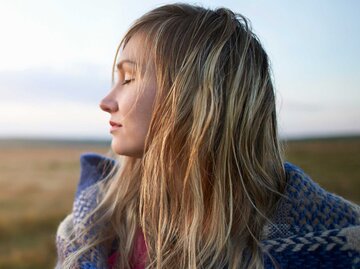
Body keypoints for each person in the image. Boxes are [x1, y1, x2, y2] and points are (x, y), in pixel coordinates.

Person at [55, 3, 360, 269]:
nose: (106, 101)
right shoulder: (94, 226)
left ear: (197, 97)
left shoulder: (339, 244)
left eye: (129, 78)